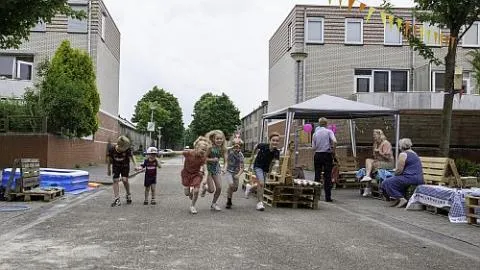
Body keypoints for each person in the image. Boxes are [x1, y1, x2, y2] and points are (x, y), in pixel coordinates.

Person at [381, 138, 424, 208]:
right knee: (395, 181)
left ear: (401, 146)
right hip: (418, 178)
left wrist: (393, 175)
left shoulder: (403, 154)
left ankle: (401, 199)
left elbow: (399, 170)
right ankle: (397, 199)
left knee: (386, 182)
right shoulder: (414, 153)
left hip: (410, 178)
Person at [245, 132, 281, 211]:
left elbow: (276, 162)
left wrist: (274, 169)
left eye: (277, 141)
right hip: (258, 166)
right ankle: (259, 203)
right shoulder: (264, 146)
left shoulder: (276, 152)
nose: (275, 142)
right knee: (261, 183)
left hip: (265, 169)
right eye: (273, 140)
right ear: (270, 140)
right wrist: (252, 156)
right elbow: (256, 146)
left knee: (261, 184)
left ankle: (250, 188)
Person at [179, 136, 210, 214]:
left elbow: (206, 170)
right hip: (186, 174)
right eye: (202, 149)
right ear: (196, 147)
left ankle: (192, 206)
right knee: (187, 193)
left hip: (196, 174)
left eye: (205, 150)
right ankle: (190, 192)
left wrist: (205, 179)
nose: (204, 151)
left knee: (196, 191)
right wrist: (164, 153)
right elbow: (176, 152)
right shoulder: (189, 153)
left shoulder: (203, 158)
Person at [360, 129, 395, 197]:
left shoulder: (386, 143)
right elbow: (375, 156)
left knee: (371, 166)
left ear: (380, 135)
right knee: (368, 161)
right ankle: (367, 177)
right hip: (379, 161)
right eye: (373, 135)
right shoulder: (375, 144)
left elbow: (387, 157)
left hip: (388, 163)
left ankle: (368, 187)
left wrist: (379, 152)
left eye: (375, 135)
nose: (373, 136)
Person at [201, 130, 228, 211]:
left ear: (223, 139)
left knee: (219, 187)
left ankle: (214, 203)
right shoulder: (210, 147)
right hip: (208, 169)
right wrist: (212, 160)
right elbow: (203, 159)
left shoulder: (223, 148)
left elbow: (226, 161)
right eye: (217, 139)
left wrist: (224, 168)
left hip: (216, 168)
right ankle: (205, 188)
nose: (219, 140)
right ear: (213, 139)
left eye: (221, 139)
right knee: (211, 190)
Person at [107, 135, 137, 207]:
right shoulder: (112, 149)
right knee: (115, 180)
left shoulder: (127, 149)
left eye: (127, 147)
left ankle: (128, 194)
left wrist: (135, 165)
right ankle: (117, 199)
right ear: (119, 146)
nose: (127, 149)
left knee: (124, 180)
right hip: (116, 167)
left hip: (125, 166)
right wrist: (108, 169)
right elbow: (109, 160)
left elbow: (132, 157)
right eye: (125, 148)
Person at [312, 117, 337, 202]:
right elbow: (335, 141)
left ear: (319, 123)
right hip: (327, 155)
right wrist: (333, 151)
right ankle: (328, 197)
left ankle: (316, 195)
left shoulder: (315, 134)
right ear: (326, 124)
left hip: (318, 154)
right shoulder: (329, 131)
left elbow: (313, 147)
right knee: (327, 176)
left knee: (317, 175)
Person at [224, 138, 245, 209]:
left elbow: (242, 167)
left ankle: (229, 191)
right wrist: (232, 147)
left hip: (236, 173)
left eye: (239, 146)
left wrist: (238, 175)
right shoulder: (229, 151)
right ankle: (229, 201)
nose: (236, 148)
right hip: (229, 171)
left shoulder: (241, 155)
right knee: (231, 185)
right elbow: (224, 149)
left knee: (235, 188)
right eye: (235, 146)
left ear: (241, 148)